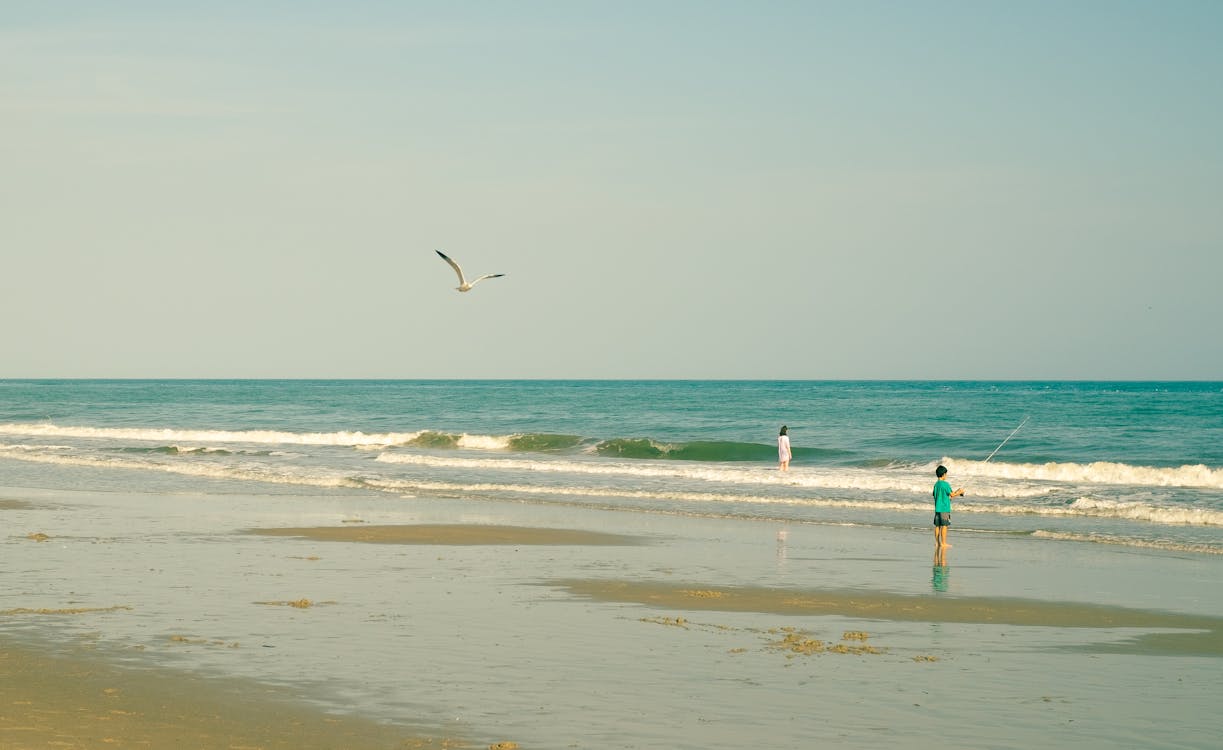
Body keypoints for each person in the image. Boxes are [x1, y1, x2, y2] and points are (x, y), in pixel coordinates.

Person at [932, 464, 963, 549]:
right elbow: (952, 494)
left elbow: (936, 495)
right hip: (944, 508)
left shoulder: (936, 484)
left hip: (937, 508)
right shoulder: (945, 484)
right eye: (946, 474)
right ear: (943, 474)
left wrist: (955, 493)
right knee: (944, 526)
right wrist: (960, 492)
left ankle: (938, 542)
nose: (946, 476)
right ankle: (944, 543)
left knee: (937, 526)